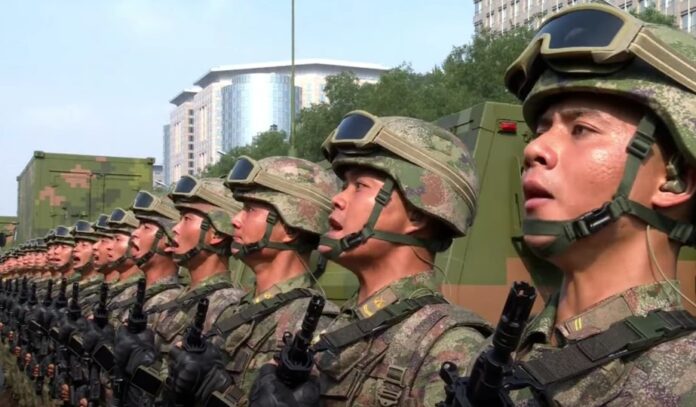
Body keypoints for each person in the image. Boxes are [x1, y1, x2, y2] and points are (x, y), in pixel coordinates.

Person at [500, 3, 696, 405]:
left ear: (674, 180)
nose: (534, 149)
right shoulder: (506, 353)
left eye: (581, 129)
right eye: (540, 132)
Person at [251, 111, 492, 406]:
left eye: (359, 186)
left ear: (416, 213)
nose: (338, 199)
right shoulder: (337, 328)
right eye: (344, 186)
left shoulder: (450, 349)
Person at [166, 156, 341, 406]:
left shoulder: (314, 325)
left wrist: (219, 389)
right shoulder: (233, 311)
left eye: (250, 209)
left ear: (291, 228)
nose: (235, 220)